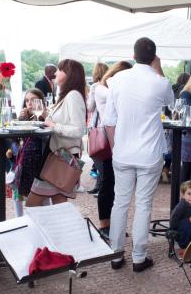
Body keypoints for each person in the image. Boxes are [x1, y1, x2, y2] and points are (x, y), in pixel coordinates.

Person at [103, 37, 174, 272]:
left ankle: (115, 255)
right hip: (149, 153)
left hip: (122, 151)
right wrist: (159, 69)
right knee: (143, 205)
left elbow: (109, 120)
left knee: (120, 203)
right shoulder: (160, 81)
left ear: (133, 56)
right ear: (154, 57)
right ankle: (139, 257)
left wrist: (115, 147)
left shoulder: (117, 80)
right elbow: (171, 104)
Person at [26, 59, 86, 207]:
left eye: (60, 69)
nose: (56, 72)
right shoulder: (67, 95)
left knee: (32, 205)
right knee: (60, 204)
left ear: (69, 74)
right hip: (59, 155)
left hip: (61, 157)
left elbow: (78, 130)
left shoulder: (73, 95)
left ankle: (45, 230)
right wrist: (46, 117)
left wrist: (53, 125)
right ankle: (62, 230)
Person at [91, 61, 132, 236]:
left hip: (117, 140)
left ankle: (113, 224)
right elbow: (119, 98)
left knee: (115, 185)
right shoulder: (101, 88)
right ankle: (104, 225)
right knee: (107, 184)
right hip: (106, 141)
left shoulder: (108, 87)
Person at [12, 88, 47, 200]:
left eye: (33, 100)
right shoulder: (24, 118)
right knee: (19, 196)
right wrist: (19, 120)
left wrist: (45, 117)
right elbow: (15, 141)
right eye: (27, 101)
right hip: (23, 161)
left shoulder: (47, 117)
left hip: (41, 162)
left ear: (41, 101)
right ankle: (20, 215)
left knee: (40, 197)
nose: (30, 103)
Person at [86, 62, 109, 191]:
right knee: (104, 156)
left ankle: (100, 185)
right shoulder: (108, 86)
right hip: (107, 126)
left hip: (96, 125)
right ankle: (99, 185)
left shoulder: (95, 86)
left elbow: (90, 107)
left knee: (97, 155)